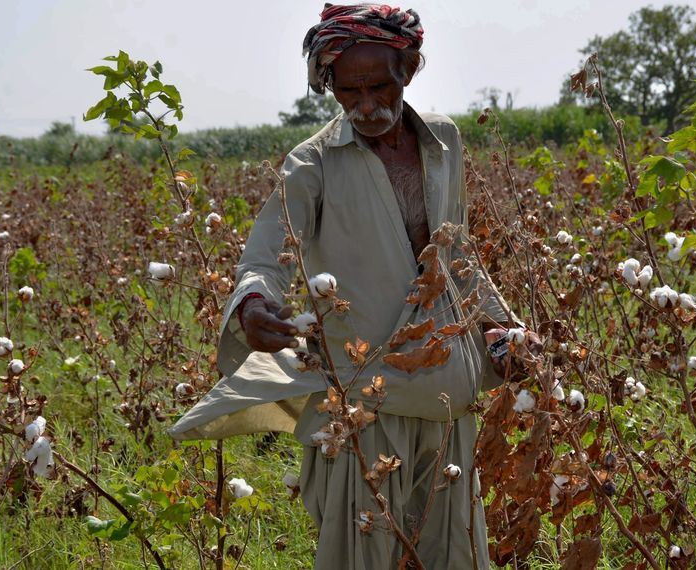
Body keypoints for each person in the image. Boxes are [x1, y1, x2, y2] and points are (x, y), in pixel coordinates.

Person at [170, 4, 526, 568]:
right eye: (347, 91)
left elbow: (455, 255)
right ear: (328, 83)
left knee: (456, 557)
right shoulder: (310, 164)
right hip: (365, 402)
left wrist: (499, 329)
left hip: (449, 394)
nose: (365, 106)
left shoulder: (444, 143)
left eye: (379, 86)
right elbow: (266, 253)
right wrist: (254, 304)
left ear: (408, 69)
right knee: (359, 557)